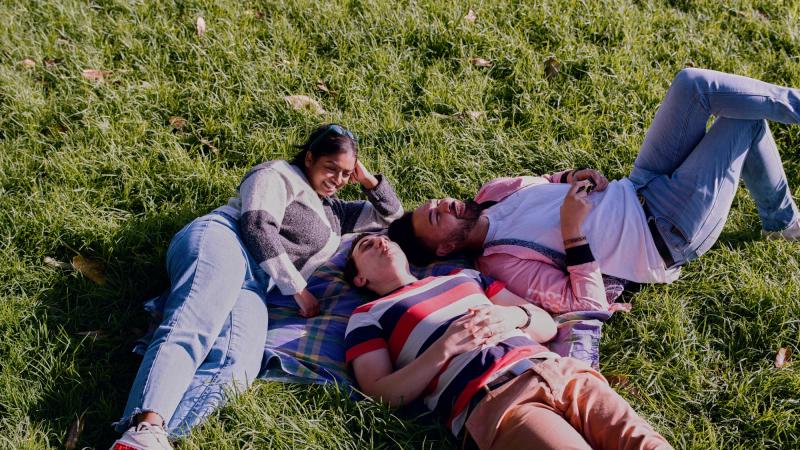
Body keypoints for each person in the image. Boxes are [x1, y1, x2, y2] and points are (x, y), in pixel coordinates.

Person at [388, 68, 800, 314]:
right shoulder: (503, 265)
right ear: (445, 248)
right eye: (436, 217)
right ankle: (784, 221)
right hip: (665, 231)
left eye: (434, 202)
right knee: (742, 121)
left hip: (638, 184)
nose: (443, 203)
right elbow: (583, 304)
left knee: (693, 83)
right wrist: (572, 231)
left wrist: (572, 176)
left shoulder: (493, 193)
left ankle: (782, 216)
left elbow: (547, 182)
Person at [111, 124, 403, 450]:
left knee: (239, 363)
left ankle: (156, 438)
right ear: (309, 158)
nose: (338, 179)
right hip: (226, 241)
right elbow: (256, 225)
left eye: (346, 173)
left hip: (257, 283)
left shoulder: (336, 213)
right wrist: (297, 289)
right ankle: (145, 424)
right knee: (198, 322)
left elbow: (394, 217)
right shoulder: (278, 174)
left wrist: (368, 180)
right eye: (331, 167)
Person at [343, 233, 673, 450]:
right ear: (360, 278)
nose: (380, 241)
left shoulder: (463, 277)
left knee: (646, 444)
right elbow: (380, 393)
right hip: (497, 402)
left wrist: (513, 316)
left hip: (560, 372)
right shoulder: (368, 315)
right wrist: (445, 348)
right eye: (366, 245)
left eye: (384, 238)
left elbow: (546, 325)